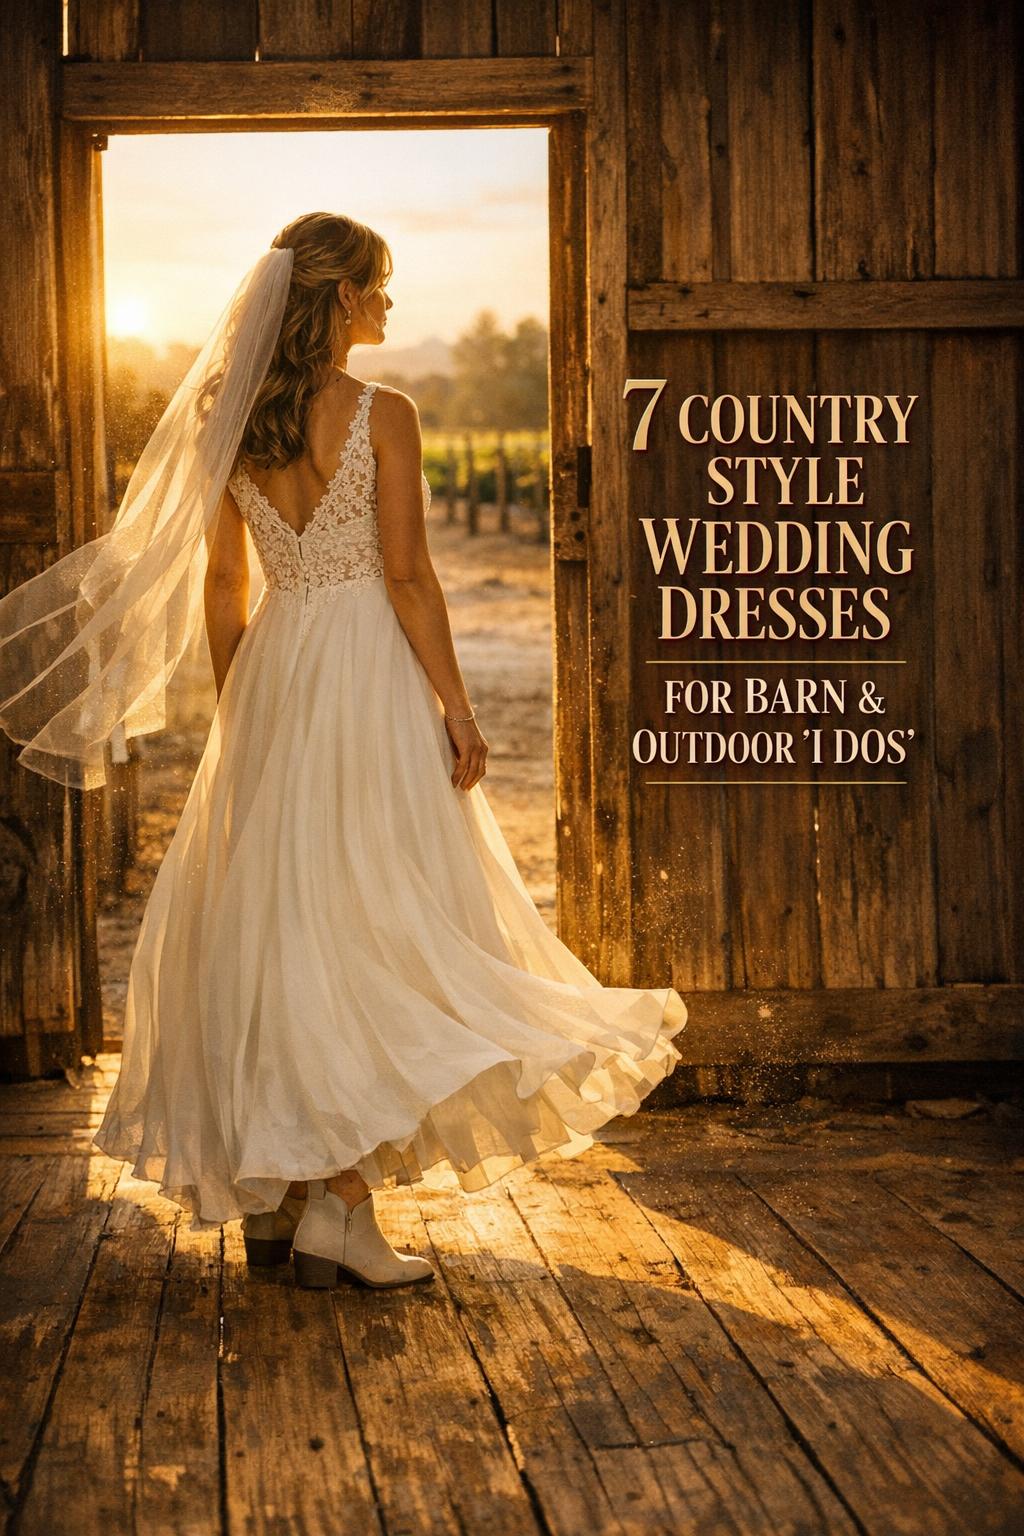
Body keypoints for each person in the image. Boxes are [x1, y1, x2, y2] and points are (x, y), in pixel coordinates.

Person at [0, 211, 685, 1291]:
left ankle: (281, 1202)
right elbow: (408, 576)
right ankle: (339, 1211)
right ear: (333, 298)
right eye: (377, 286)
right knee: (378, 919)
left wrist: (245, 707)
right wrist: (456, 708)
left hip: (277, 667)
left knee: (284, 923)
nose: (389, 304)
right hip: (368, 666)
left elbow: (226, 588)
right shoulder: (384, 414)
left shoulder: (233, 423)